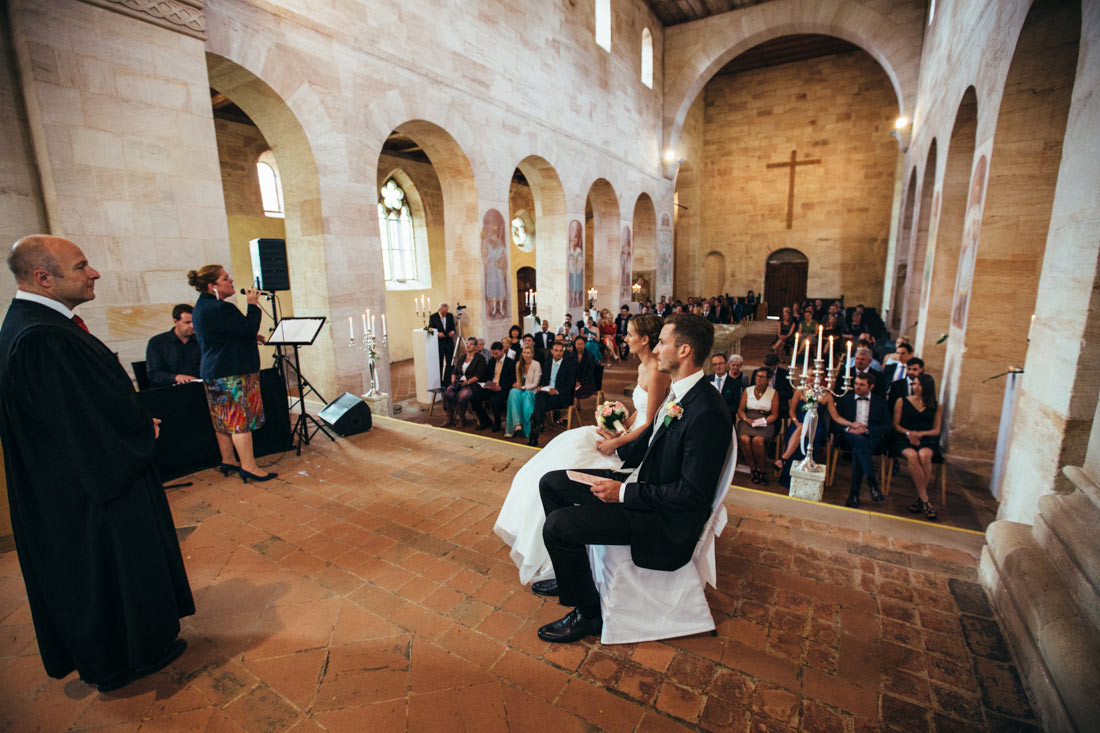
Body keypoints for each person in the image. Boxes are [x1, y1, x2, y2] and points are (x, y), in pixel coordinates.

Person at [0, 234, 193, 692]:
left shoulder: (37, 324)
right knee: (110, 571)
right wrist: (141, 430)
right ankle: (130, 655)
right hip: (91, 491)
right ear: (43, 278)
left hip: (78, 484)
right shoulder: (42, 337)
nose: (95, 273)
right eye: (82, 265)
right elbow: (77, 426)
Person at [532, 314, 731, 642]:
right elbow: (651, 439)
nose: (656, 348)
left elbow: (691, 495)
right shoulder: (681, 394)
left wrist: (622, 493)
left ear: (683, 351)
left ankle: (588, 613)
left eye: (663, 342)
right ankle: (572, 575)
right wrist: (615, 449)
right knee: (553, 481)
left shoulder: (707, 412)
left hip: (659, 517)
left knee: (557, 527)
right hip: (640, 483)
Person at [495, 315, 668, 584]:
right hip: (627, 436)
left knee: (570, 457)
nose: (625, 338)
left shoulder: (657, 371)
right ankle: (545, 535)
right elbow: (638, 414)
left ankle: (556, 547)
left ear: (644, 339)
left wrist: (615, 441)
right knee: (560, 449)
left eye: (631, 334)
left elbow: (651, 423)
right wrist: (617, 425)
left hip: (636, 448)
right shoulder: (642, 366)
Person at [190, 264, 276, 482]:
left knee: (222, 419)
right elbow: (247, 327)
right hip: (232, 371)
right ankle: (249, 466)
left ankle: (228, 459)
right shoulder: (222, 308)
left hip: (213, 370)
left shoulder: (201, 306)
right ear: (212, 286)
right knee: (240, 419)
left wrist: (247, 337)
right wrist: (253, 305)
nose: (231, 281)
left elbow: (222, 335)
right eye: (225, 278)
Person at [827, 372, 890, 507]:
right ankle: (872, 484)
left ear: (871, 386)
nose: (857, 387)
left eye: (862, 385)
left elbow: (887, 426)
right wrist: (849, 429)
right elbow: (835, 422)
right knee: (860, 443)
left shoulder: (880, 402)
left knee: (860, 448)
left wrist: (867, 430)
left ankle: (854, 494)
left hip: (871, 438)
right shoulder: (845, 399)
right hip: (847, 436)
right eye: (855, 384)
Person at [892, 373, 943, 521]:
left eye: (919, 385)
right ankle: (926, 500)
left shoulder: (936, 405)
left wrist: (920, 433)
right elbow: (896, 424)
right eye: (914, 384)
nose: (916, 387)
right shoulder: (902, 401)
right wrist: (909, 433)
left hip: (926, 439)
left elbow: (936, 429)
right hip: (905, 438)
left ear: (927, 387)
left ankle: (920, 498)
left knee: (924, 456)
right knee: (913, 456)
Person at [528, 341, 578, 446]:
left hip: (562, 396)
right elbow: (544, 379)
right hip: (548, 391)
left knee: (539, 406)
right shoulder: (547, 363)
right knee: (539, 395)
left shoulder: (569, 365)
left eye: (561, 351)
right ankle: (538, 425)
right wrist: (541, 386)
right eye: (556, 350)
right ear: (552, 351)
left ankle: (536, 429)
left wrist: (557, 391)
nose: (558, 353)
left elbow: (570, 385)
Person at [737, 367, 779, 485]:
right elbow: (740, 410)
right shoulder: (748, 390)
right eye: (757, 376)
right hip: (748, 419)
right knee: (744, 439)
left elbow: (775, 414)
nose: (759, 379)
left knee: (758, 440)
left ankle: (762, 470)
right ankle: (753, 469)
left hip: (765, 420)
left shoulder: (773, 393)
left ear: (769, 380)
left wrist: (763, 421)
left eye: (762, 377)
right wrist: (745, 419)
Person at [145, 303, 201, 387]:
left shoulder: (200, 340)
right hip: (170, 388)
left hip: (197, 386)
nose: (192, 326)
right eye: (187, 322)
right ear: (175, 321)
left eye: (194, 321)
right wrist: (176, 377)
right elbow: (154, 373)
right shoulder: (157, 342)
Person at [442, 337, 487, 427]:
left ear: (475, 347)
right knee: (447, 393)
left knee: (462, 396)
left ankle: (462, 418)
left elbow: (480, 375)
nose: (468, 345)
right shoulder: (462, 357)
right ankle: (450, 419)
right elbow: (454, 372)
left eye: (471, 344)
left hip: (472, 383)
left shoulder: (480, 358)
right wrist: (453, 381)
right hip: (459, 382)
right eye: (467, 343)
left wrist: (467, 382)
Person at [472, 341, 514, 431]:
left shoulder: (510, 363)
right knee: (474, 397)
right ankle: (485, 420)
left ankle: (497, 422)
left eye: (496, 353)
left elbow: (512, 380)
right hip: (491, 387)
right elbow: (487, 376)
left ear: (503, 351)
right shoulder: (491, 361)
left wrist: (501, 387)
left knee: (495, 400)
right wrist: (484, 383)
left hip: (502, 388)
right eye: (492, 353)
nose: (494, 355)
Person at [504, 345, 541, 438]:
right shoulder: (518, 364)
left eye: (528, 353)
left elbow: (536, 383)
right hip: (521, 389)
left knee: (526, 397)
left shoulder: (536, 364)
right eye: (524, 352)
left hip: (531, 390)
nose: (525, 355)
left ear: (532, 354)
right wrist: (517, 386)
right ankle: (516, 425)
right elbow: (518, 381)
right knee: (513, 392)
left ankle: (525, 430)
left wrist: (523, 387)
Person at [428, 303, 457, 380]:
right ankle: (439, 381)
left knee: (450, 362)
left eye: (446, 312)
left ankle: (448, 381)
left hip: (449, 343)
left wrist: (452, 332)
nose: (445, 314)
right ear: (439, 309)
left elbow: (453, 328)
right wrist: (437, 334)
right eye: (443, 312)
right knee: (439, 363)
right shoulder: (433, 317)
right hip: (439, 344)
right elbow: (429, 329)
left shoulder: (450, 316)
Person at [571, 335, 598, 400]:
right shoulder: (571, 356)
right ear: (575, 344)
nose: (579, 346)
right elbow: (570, 371)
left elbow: (590, 373)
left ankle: (571, 408)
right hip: (575, 382)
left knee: (571, 392)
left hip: (587, 383)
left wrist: (580, 382)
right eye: (577, 344)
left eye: (581, 344)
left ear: (585, 344)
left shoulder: (590, 357)